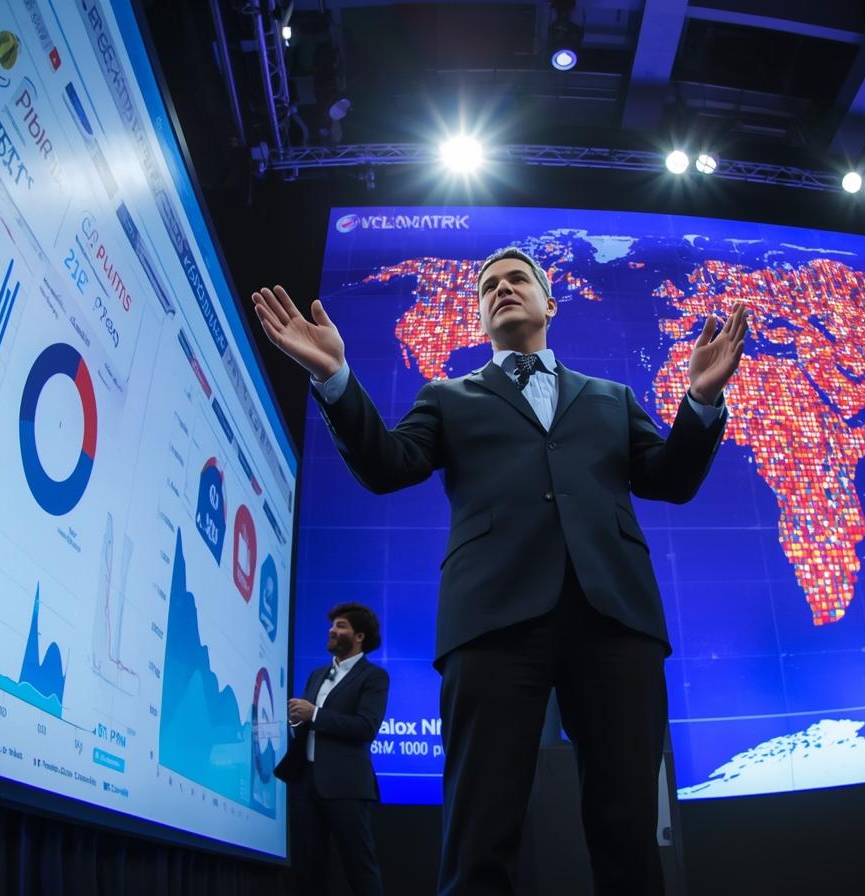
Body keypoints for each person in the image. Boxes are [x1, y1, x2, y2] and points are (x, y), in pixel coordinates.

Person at [252, 246, 748, 895]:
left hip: (616, 618)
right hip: (490, 620)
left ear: (550, 304)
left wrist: (702, 400)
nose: (503, 289)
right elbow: (386, 465)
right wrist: (335, 376)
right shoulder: (447, 397)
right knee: (478, 831)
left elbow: (670, 480)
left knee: (628, 832)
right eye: (489, 286)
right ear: (481, 316)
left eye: (517, 279)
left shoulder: (612, 398)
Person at [274, 602, 390, 896]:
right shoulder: (317, 675)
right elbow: (309, 723)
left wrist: (314, 714)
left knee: (359, 868)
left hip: (346, 785)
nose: (331, 630)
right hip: (305, 783)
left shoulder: (374, 676)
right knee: (306, 870)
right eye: (332, 625)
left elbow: (366, 727)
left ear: (359, 636)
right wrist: (296, 721)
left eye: (341, 626)